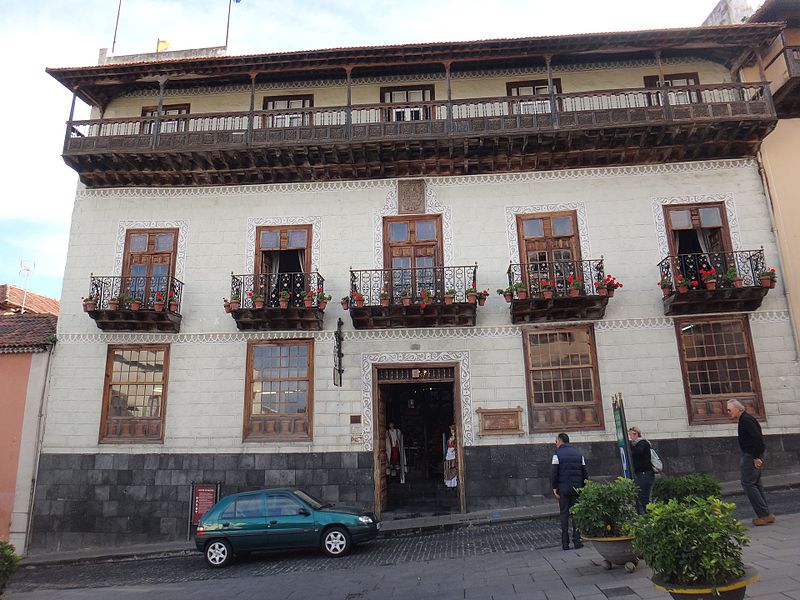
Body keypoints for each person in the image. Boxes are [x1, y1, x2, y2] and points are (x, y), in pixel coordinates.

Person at [727, 399, 774, 525]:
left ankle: (763, 515)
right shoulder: (745, 419)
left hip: (751, 454)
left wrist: (756, 457)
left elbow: (757, 438)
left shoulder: (746, 420)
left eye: (729, 409)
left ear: (738, 409)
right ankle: (766, 514)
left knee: (748, 483)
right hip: (753, 453)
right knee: (756, 483)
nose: (728, 412)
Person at [551, 432, 588, 551]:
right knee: (576, 514)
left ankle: (565, 543)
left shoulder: (557, 455)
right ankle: (577, 541)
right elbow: (584, 473)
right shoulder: (578, 454)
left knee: (564, 514)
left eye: (556, 441)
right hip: (577, 488)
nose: (555, 443)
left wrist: (554, 488)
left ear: (561, 441)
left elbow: (554, 473)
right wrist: (583, 487)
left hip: (563, 489)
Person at [628, 426, 654, 513]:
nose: (630, 437)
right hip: (640, 473)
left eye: (631, 435)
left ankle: (648, 513)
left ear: (636, 434)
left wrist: (630, 446)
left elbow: (638, 452)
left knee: (644, 496)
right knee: (641, 495)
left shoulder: (642, 443)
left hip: (645, 473)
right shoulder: (637, 444)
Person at [443, 424, 458, 491]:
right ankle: (450, 483)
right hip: (449, 453)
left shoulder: (457, 438)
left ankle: (454, 483)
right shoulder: (450, 437)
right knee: (449, 467)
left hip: (454, 454)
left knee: (453, 467)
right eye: (451, 430)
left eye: (452, 430)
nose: (451, 431)